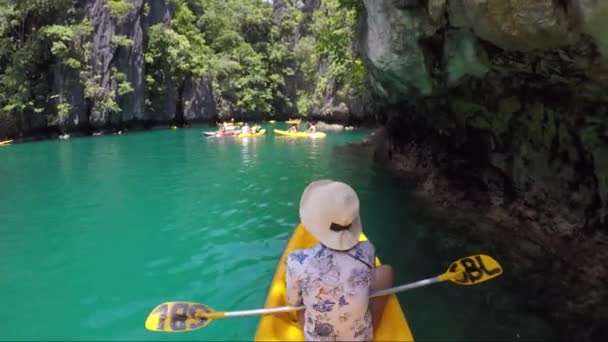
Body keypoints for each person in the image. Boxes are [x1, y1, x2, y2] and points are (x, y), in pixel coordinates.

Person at [286, 180, 393, 341]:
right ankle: (372, 323)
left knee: (300, 302)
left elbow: (293, 302)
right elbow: (367, 282)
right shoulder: (368, 249)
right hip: (360, 338)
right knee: (386, 271)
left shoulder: (296, 261)